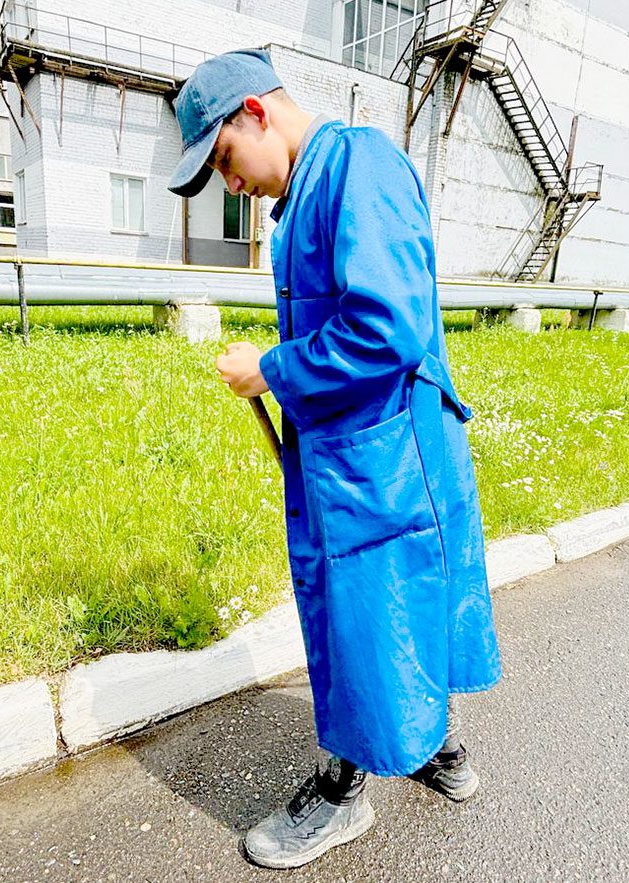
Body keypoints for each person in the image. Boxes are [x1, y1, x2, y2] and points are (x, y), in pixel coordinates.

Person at [168, 48, 502, 870]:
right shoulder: (312, 188)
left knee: (365, 615)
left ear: (255, 112)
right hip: (367, 454)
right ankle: (434, 745)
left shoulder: (359, 165)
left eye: (225, 159)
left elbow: (388, 327)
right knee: (402, 599)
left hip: (388, 457)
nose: (232, 185)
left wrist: (270, 368)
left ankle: (345, 791)